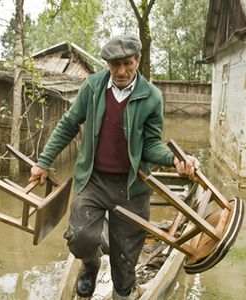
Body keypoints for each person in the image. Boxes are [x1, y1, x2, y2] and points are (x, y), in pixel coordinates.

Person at [30, 34, 199, 300]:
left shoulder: (152, 96)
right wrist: (43, 162)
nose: (121, 71)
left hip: (132, 186)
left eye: (127, 64)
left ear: (137, 60)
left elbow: (151, 144)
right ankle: (91, 264)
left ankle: (122, 294)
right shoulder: (93, 87)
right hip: (94, 180)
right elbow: (68, 124)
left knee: (125, 258)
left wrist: (174, 159)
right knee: (80, 237)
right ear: (107, 63)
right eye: (114, 64)